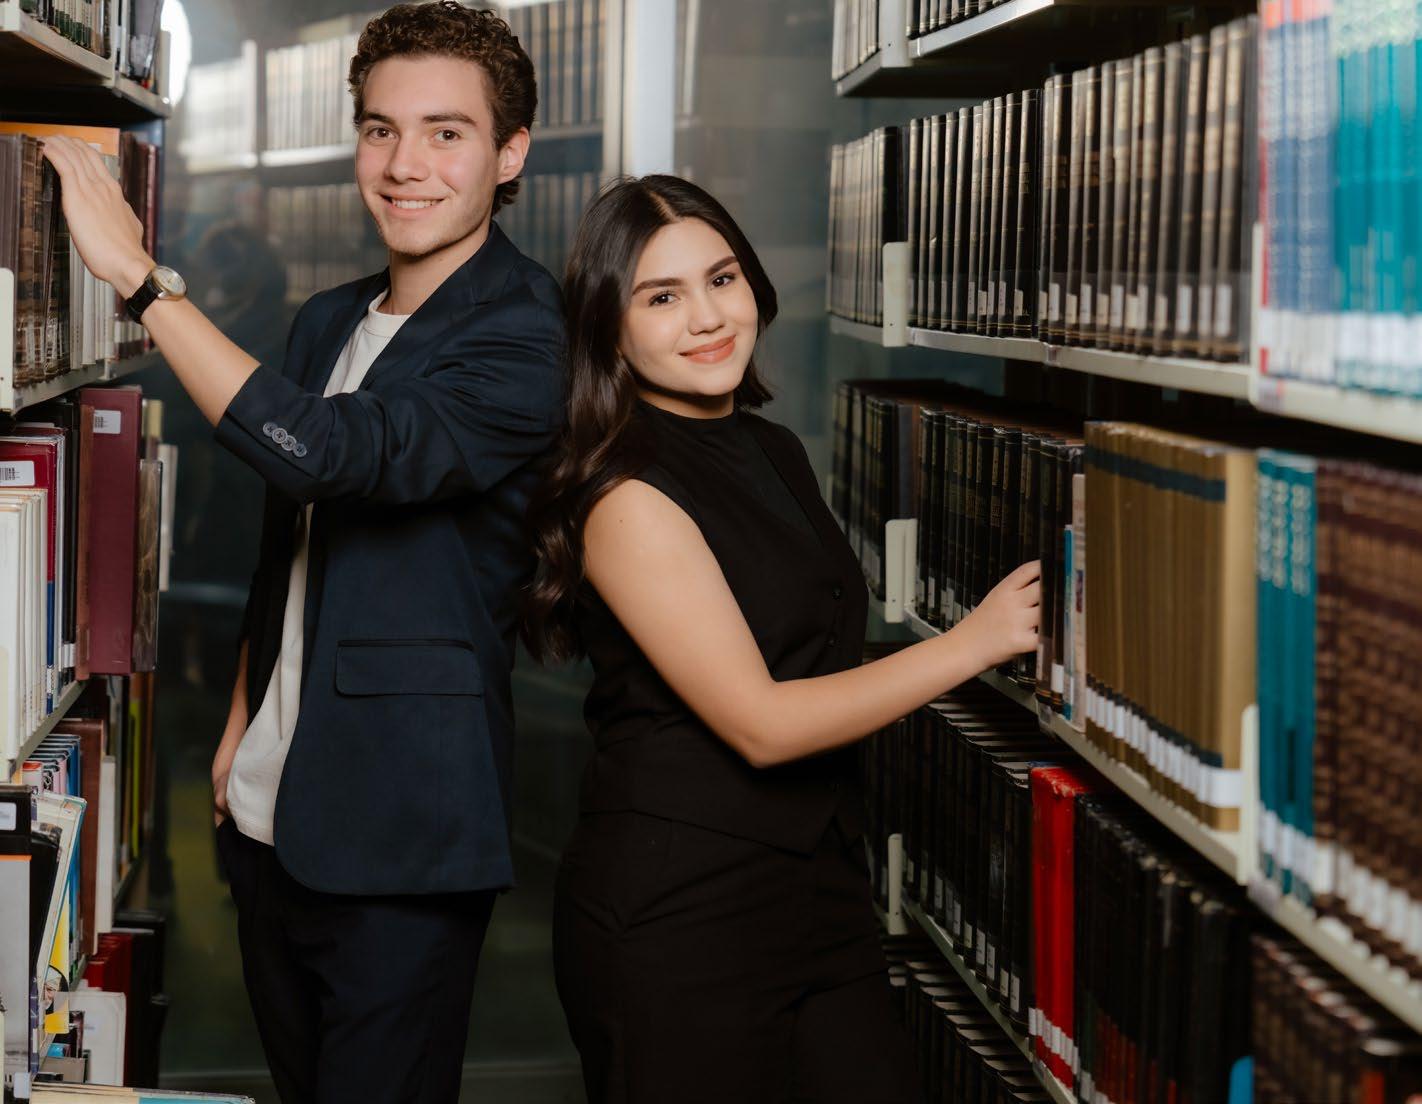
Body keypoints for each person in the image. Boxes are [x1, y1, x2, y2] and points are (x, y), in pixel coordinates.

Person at [43, 4, 565, 1101]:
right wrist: (241, 724)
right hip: (269, 813)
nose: (404, 165)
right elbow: (290, 540)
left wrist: (140, 279)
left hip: (401, 838)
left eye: (447, 133)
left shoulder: (525, 332)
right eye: (380, 130)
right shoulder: (327, 320)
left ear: (511, 153)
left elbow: (334, 457)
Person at [522, 174, 1041, 1103]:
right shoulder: (625, 495)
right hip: (678, 911)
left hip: (820, 889)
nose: (707, 318)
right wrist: (974, 642)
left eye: (721, 279)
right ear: (608, 330)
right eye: (661, 298)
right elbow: (761, 723)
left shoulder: (772, 449)